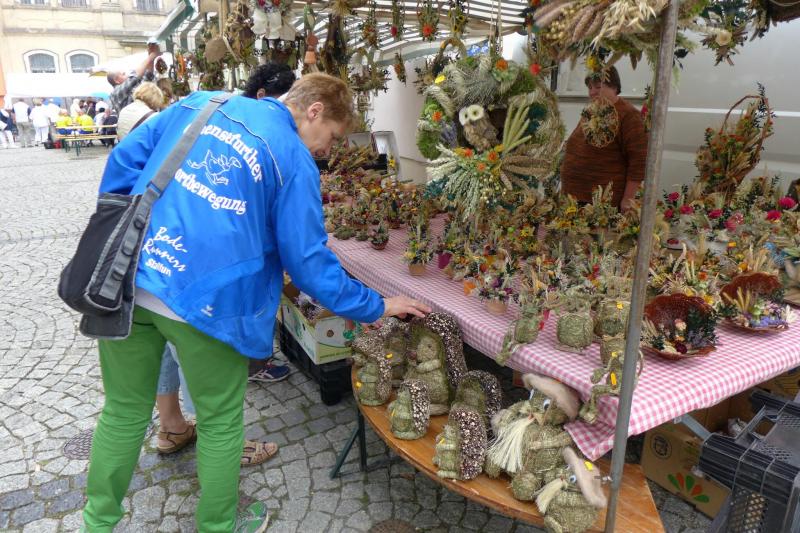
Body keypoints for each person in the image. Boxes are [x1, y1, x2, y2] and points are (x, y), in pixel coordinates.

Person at [82, 73, 430, 533]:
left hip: (133, 276)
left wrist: (143, 227)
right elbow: (308, 264)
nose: (327, 149)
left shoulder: (202, 103)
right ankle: (218, 525)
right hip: (213, 299)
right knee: (220, 420)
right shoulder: (292, 157)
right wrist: (377, 306)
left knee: (123, 411)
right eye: (332, 136)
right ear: (314, 111)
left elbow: (125, 159)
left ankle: (96, 524)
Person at [559, 66, 648, 211]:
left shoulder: (629, 115)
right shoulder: (592, 111)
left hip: (602, 206)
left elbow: (639, 161)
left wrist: (628, 199)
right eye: (589, 87)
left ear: (614, 87)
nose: (592, 92)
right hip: (575, 199)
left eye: (598, 87)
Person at [107, 43, 161, 113]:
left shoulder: (129, 89)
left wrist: (151, 57)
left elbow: (148, 76)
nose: (127, 75)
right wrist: (152, 55)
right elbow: (134, 76)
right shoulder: (115, 93)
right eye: (123, 74)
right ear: (116, 80)